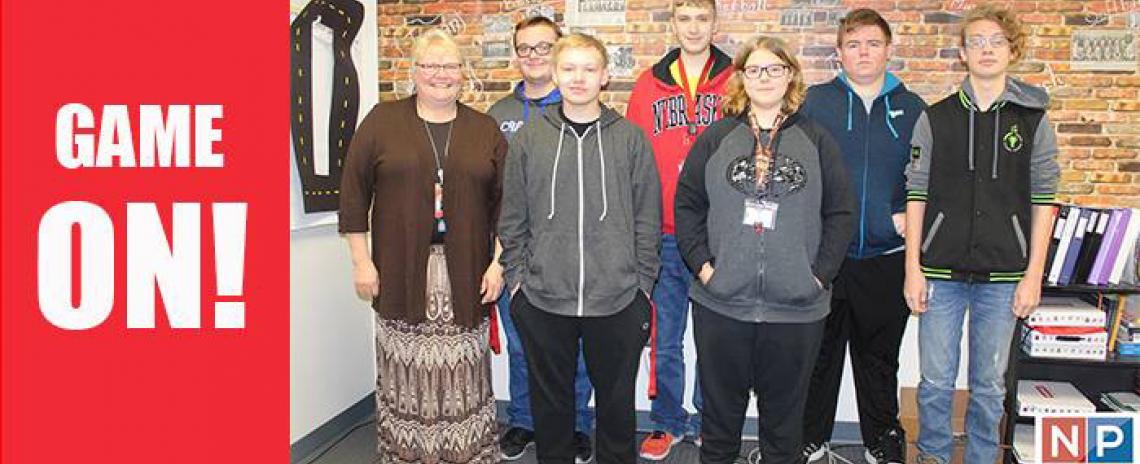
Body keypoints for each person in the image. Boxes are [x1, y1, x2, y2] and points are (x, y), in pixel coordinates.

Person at [674, 36, 855, 464]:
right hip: (722, 306)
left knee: (783, 429)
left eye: (775, 68)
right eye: (754, 69)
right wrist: (705, 269)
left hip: (796, 311)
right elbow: (687, 204)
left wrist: (817, 277)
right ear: (741, 78)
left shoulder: (817, 139)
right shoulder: (717, 137)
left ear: (790, 76)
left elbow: (841, 212)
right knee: (719, 425)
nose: (765, 77)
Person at [338, 29, 507, 464]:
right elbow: (353, 195)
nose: (440, 74)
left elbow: (506, 205)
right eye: (430, 65)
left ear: (462, 73)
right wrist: (361, 261)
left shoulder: (484, 129)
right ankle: (407, 453)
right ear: (414, 71)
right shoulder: (382, 121)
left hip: (467, 272)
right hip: (399, 269)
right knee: (404, 368)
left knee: (463, 371)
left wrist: (498, 264)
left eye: (449, 65)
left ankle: (466, 452)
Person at [904, 5, 1060, 464]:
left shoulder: (1033, 120)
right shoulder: (935, 118)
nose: (986, 50)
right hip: (939, 272)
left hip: (1005, 275)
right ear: (962, 53)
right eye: (976, 42)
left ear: (1012, 50)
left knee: (990, 386)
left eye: (996, 41)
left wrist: (1033, 275)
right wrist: (912, 269)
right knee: (935, 382)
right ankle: (933, 455)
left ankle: (980, 458)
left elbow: (1044, 201)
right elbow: (916, 194)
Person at [497, 33, 662, 464]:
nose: (578, 78)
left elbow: (647, 219)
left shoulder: (630, 139)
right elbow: (512, 218)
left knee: (616, 409)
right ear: (555, 73)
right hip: (543, 298)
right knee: (550, 408)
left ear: (605, 76)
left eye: (589, 69)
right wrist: (517, 283)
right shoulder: (530, 139)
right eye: (569, 68)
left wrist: (642, 287)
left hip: (618, 299)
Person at [796, 9, 926, 464]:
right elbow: (798, 171)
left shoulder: (914, 109)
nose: (863, 52)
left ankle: (880, 440)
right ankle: (810, 436)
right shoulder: (815, 103)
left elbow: (927, 176)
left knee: (879, 359)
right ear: (839, 53)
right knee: (819, 355)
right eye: (853, 45)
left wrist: (903, 211)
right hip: (827, 256)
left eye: (872, 44)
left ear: (889, 50)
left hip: (887, 256)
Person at [624, 0, 733, 457]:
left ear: (714, 23)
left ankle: (711, 420)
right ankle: (667, 421)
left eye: (701, 18)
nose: (693, 27)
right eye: (684, 18)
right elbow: (630, 158)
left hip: (717, 234)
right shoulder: (648, 84)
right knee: (665, 339)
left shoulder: (736, 79)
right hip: (664, 234)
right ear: (673, 23)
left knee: (714, 339)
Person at [486, 16, 596, 463]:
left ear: (559, 50)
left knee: (576, 349)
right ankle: (524, 420)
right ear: (516, 54)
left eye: (543, 46)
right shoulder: (498, 115)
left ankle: (576, 425)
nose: (534, 55)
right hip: (513, 251)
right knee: (520, 345)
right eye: (525, 48)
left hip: (569, 253)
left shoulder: (577, 107)